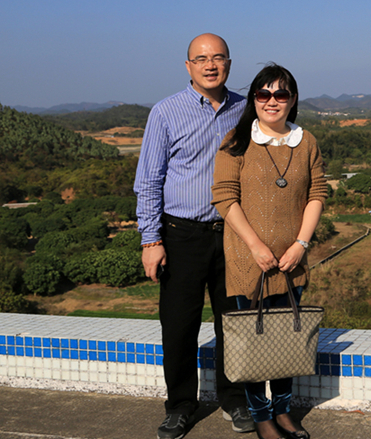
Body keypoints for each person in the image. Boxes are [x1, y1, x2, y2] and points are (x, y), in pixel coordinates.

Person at [134, 33, 255, 439]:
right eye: (201, 58)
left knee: (233, 323)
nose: (210, 65)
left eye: (218, 57)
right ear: (188, 66)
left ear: (229, 64)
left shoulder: (245, 110)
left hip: (233, 235)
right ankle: (180, 406)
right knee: (179, 326)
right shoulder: (166, 112)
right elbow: (148, 180)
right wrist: (151, 241)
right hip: (181, 235)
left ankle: (234, 400)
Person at [211, 63, 327, 439]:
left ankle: (283, 411)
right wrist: (256, 247)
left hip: (292, 262)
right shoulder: (236, 141)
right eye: (264, 94)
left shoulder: (306, 142)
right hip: (250, 262)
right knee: (253, 343)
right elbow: (224, 198)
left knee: (286, 340)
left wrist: (301, 245)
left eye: (280, 94)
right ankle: (262, 416)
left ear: (292, 100)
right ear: (254, 99)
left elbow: (317, 194)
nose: (272, 101)